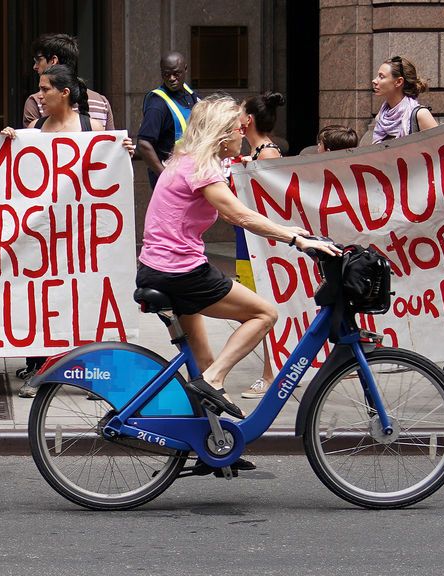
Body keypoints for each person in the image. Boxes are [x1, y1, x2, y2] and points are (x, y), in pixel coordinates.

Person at [136, 94, 340, 424]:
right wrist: (294, 238)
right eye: (237, 128)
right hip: (180, 272)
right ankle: (215, 380)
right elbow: (237, 214)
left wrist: (284, 226)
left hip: (158, 269)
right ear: (220, 133)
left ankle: (217, 442)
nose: (242, 134)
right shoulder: (201, 168)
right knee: (264, 314)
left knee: (202, 361)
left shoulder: (188, 161)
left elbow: (227, 201)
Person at [1, 64, 136, 398]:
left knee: (88, 299)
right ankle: (44, 369)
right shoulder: (34, 129)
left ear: (64, 93)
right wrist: (8, 142)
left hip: (86, 234)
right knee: (48, 300)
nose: (39, 96)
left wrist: (123, 152)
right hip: (46, 236)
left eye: (45, 89)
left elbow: (109, 172)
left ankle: (97, 371)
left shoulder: (94, 127)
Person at [231, 92, 285, 400]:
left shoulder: (267, 154)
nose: (236, 118)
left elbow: (270, 206)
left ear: (248, 120)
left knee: (263, 307)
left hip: (260, 246)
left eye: (239, 113)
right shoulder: (255, 154)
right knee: (254, 307)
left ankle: (270, 374)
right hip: (247, 242)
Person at [22, 33, 114, 130]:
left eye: (38, 60)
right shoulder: (102, 101)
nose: (35, 67)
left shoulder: (36, 101)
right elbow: (110, 142)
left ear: (53, 61)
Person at [137, 52, 200, 189]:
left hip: (191, 174)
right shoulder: (157, 104)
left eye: (176, 74)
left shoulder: (190, 95)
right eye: (166, 74)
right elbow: (143, 143)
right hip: (171, 180)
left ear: (185, 69)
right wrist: (165, 176)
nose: (171, 79)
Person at [370, 56, 438, 143]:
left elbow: (442, 150)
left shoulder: (421, 115)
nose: (374, 81)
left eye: (381, 76)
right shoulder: (381, 116)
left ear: (398, 82)